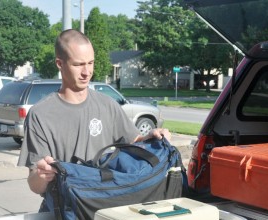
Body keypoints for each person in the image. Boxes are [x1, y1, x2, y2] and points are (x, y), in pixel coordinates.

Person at [18, 29, 170, 198]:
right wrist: (42, 176)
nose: (86, 72)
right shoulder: (40, 114)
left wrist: (152, 136)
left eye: (90, 63)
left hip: (105, 203)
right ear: (59, 64)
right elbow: (35, 185)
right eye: (78, 64)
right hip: (65, 212)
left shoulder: (107, 105)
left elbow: (135, 142)